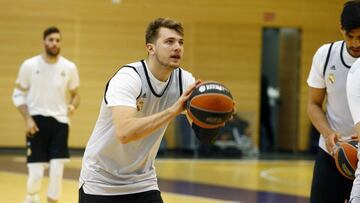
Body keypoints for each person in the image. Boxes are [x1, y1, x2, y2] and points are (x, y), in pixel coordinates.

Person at [78, 17, 224, 203]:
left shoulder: (184, 81)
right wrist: (173, 111)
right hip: (101, 182)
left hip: (143, 182)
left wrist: (217, 117)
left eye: (180, 42)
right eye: (169, 42)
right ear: (151, 48)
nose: (177, 47)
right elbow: (125, 133)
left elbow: (204, 137)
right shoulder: (128, 77)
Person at [12, 26, 80, 203]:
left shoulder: (69, 67)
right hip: (35, 121)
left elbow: (75, 95)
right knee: (35, 174)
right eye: (51, 40)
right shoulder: (29, 65)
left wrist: (72, 106)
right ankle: (32, 196)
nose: (54, 43)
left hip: (60, 122)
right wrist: (27, 119)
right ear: (44, 42)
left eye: (57, 40)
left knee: (57, 170)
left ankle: (52, 201)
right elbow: (18, 93)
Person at [307, 1, 360, 202]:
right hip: (333, 153)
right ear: (341, 28)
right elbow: (313, 104)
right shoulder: (326, 55)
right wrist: (328, 134)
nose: (355, 43)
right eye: (350, 36)